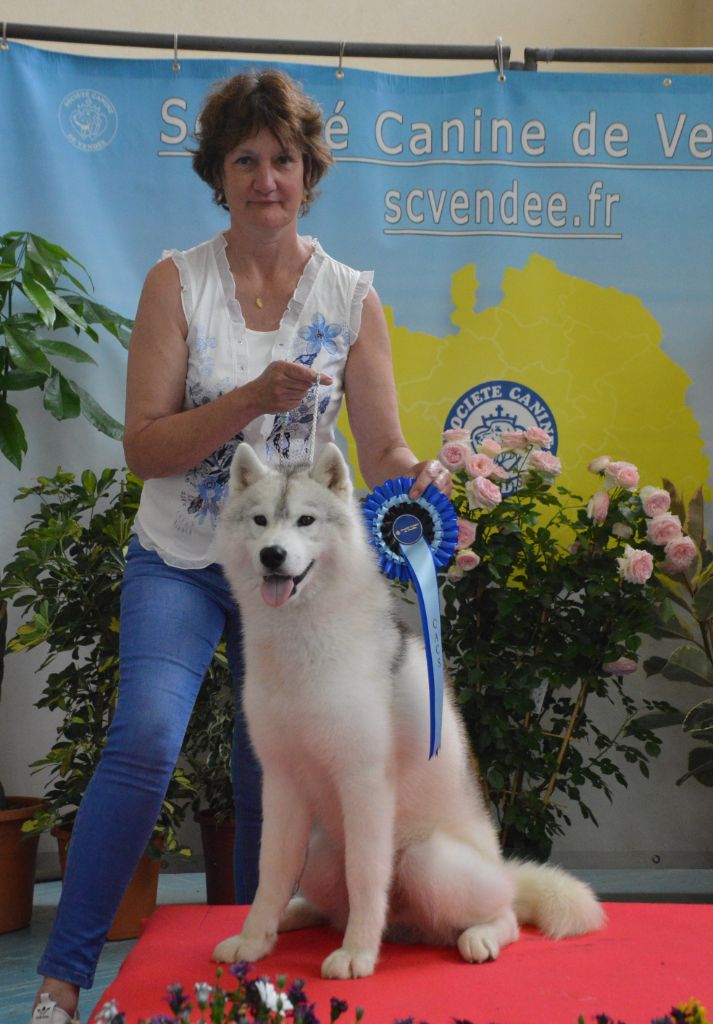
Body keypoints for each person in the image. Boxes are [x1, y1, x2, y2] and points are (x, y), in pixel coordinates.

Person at [31, 67, 452, 1024]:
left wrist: (414, 474)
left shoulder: (352, 297)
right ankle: (61, 979)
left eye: (285, 160)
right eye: (246, 160)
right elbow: (144, 449)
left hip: (304, 583)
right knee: (142, 739)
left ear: (310, 173)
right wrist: (249, 401)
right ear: (217, 174)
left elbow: (380, 446)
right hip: (184, 557)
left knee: (277, 771)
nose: (267, 177)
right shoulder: (177, 282)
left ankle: (244, 977)